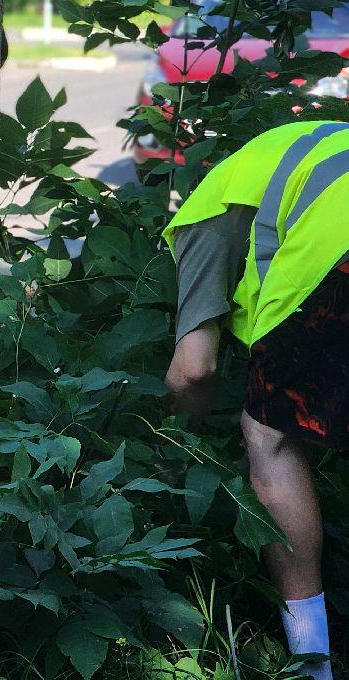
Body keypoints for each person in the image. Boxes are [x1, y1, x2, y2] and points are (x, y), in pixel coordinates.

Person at [163, 120, 349, 680]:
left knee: (270, 436)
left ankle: (311, 663)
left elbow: (193, 371)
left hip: (337, 248)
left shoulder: (199, 216)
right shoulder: (292, 154)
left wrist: (171, 457)